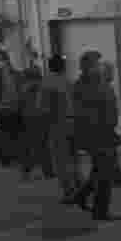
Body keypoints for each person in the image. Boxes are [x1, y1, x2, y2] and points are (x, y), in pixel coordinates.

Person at [70, 51, 121, 221]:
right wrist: (102, 127)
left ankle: (80, 196)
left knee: (99, 170)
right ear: (88, 67)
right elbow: (85, 113)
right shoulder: (84, 85)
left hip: (104, 132)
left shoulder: (98, 82)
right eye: (96, 64)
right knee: (104, 173)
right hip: (97, 134)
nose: (100, 67)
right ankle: (100, 211)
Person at [42, 54, 80, 203]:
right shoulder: (68, 81)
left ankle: (69, 193)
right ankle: (80, 188)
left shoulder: (48, 84)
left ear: (50, 66)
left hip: (58, 126)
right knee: (74, 159)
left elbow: (44, 109)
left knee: (61, 161)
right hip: (73, 125)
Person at [18, 66, 54, 181]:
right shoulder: (33, 87)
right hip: (38, 118)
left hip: (32, 118)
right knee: (40, 146)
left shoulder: (26, 87)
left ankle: (30, 171)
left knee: (35, 146)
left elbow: (22, 103)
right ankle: (45, 171)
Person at [101, 61, 121, 188]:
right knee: (109, 155)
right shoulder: (103, 87)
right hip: (105, 126)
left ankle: (116, 178)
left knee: (111, 154)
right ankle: (116, 179)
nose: (113, 74)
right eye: (111, 72)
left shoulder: (106, 87)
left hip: (108, 125)